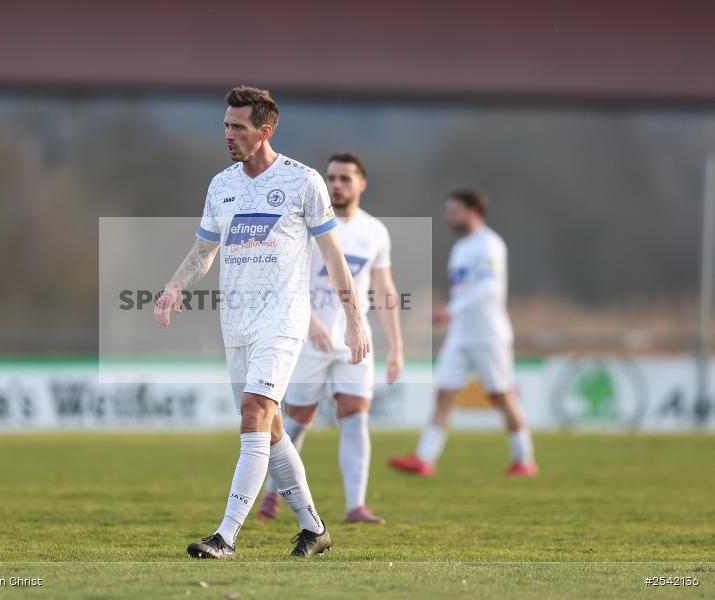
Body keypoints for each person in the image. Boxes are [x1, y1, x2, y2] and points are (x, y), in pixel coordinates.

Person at [154, 86, 370, 559]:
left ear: (264, 131)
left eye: (238, 127)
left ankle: (225, 536)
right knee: (268, 429)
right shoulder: (221, 185)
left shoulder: (303, 181)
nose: (228, 135)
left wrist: (355, 318)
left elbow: (334, 257)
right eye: (226, 126)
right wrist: (174, 287)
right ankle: (314, 528)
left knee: (255, 410)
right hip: (235, 323)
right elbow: (204, 251)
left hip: (283, 318)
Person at [257, 152, 403, 525]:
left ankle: (356, 505)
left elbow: (385, 290)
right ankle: (272, 494)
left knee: (355, 418)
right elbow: (286, 281)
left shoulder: (375, 232)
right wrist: (312, 324)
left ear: (361, 184)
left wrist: (397, 347)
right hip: (308, 340)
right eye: (332, 178)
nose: (337, 184)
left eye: (345, 178)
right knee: (297, 420)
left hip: (356, 340)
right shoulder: (308, 224)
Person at [389, 189, 538, 477]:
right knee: (444, 393)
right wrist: (453, 314)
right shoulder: (461, 248)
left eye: (455, 210)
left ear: (473, 211)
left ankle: (525, 459)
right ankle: (424, 459)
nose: (450, 216)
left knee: (501, 396)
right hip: (460, 336)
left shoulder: (490, 245)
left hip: (488, 335)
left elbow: (488, 287)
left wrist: (452, 309)